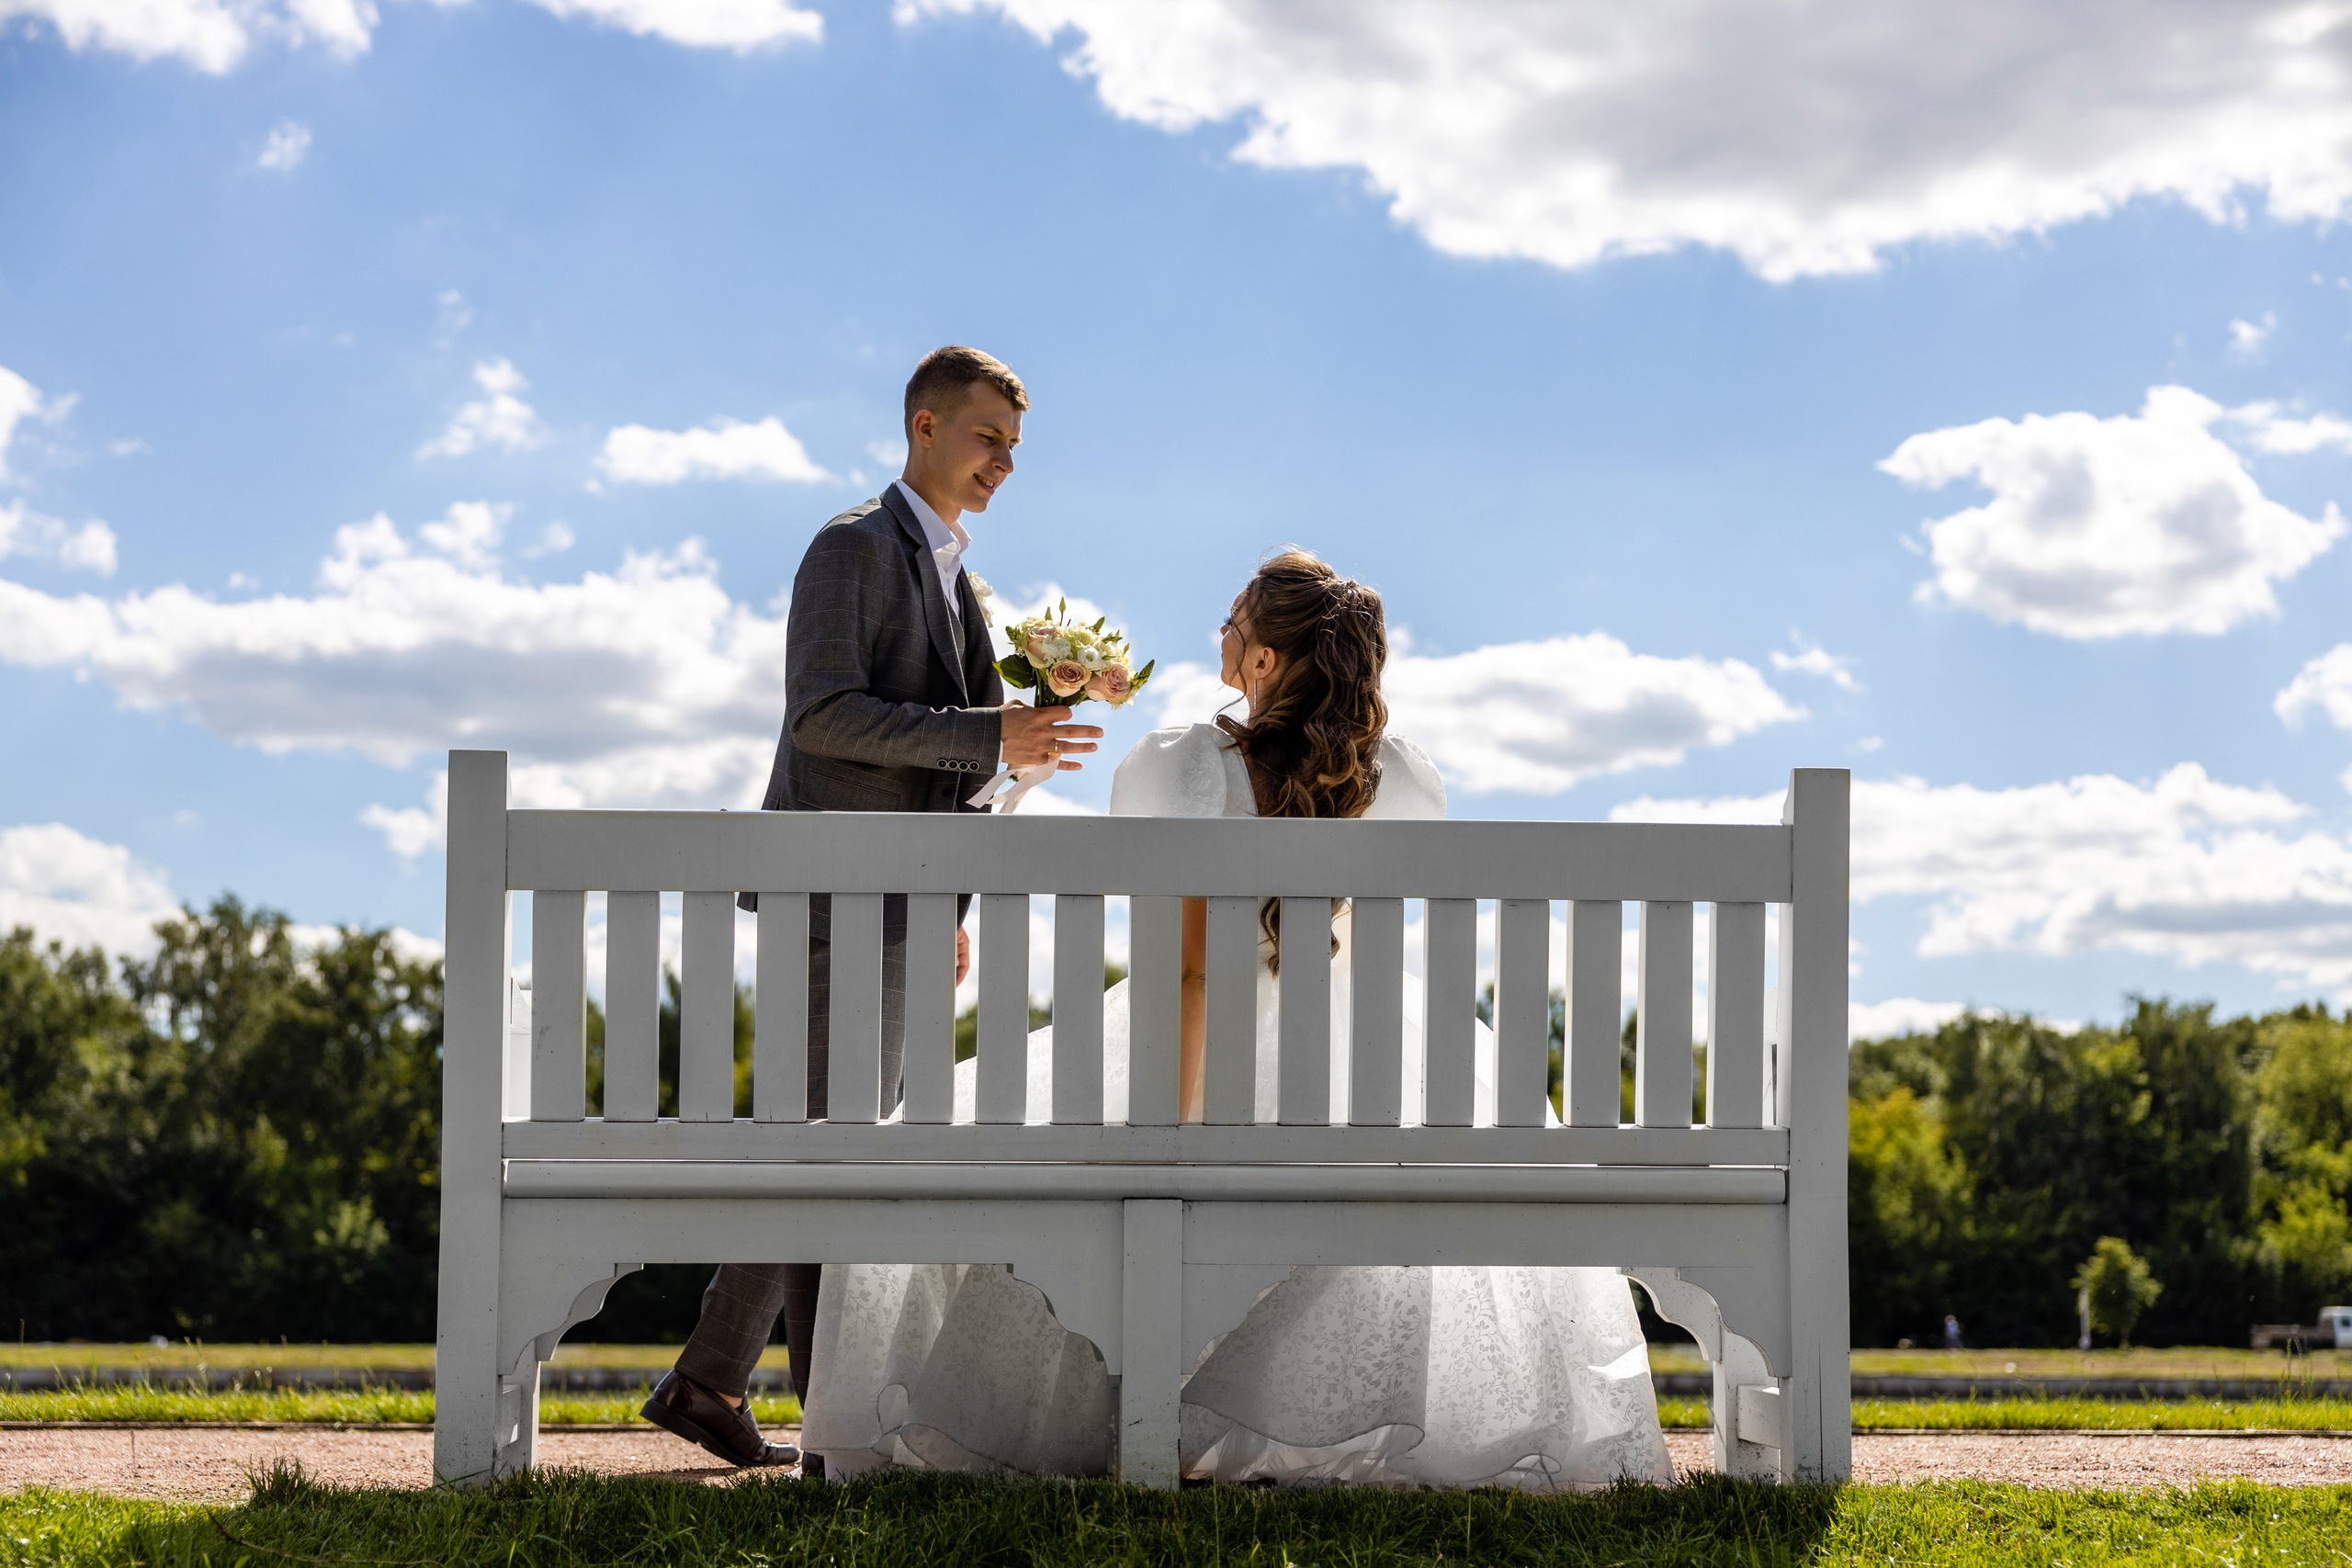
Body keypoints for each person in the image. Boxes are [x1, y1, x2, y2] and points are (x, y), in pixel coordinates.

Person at [798, 550, 1674, 1490]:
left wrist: (1163, 1144)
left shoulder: (1183, 767)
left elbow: (1187, 975)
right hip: (1363, 1080)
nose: (1219, 632)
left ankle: (1089, 1417)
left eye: (1232, 618)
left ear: (1262, 662)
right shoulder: (1407, 780)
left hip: (1192, 1062)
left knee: (957, 1136)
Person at [639, 346, 1104, 1472]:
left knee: (830, 1148)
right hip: (826, 889)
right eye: (989, 437)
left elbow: (955, 764)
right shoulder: (850, 547)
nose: (1003, 462)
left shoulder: (967, 585)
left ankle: (743, 1393)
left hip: (898, 899)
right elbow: (825, 718)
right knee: (828, 1148)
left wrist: (1029, 742)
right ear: (924, 424)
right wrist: (991, 732)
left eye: (1015, 448)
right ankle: (743, 1392)